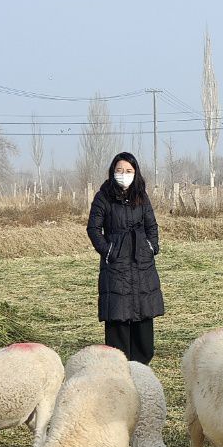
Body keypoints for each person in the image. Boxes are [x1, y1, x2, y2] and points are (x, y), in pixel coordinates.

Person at [86, 152, 164, 364]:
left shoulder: (141, 195)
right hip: (116, 265)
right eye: (119, 170)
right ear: (112, 172)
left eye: (128, 171)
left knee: (143, 321)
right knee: (118, 319)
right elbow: (93, 228)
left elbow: (152, 226)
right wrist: (109, 251)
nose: (124, 174)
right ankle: (118, 372)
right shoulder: (103, 196)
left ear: (135, 172)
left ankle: (141, 369)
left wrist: (151, 246)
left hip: (142, 264)